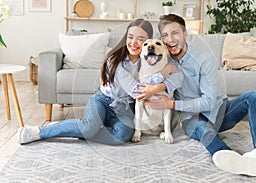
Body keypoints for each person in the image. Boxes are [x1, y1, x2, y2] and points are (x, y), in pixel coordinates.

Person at [139, 14, 256, 176]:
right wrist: (153, 89)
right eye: (165, 35)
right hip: (191, 118)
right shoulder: (162, 59)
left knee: (255, 95)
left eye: (175, 33)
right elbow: (142, 68)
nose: (170, 39)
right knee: (203, 129)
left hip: (220, 111)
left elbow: (209, 102)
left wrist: (172, 105)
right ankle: (231, 157)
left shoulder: (203, 58)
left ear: (185, 34)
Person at [18, 19, 181, 145]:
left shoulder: (146, 61)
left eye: (141, 39)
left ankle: (84, 132)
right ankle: (41, 131)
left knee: (123, 136)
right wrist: (162, 74)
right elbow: (136, 90)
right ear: (126, 37)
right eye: (131, 37)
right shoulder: (114, 60)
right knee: (89, 127)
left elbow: (177, 75)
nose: (134, 43)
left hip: (124, 107)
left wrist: (162, 83)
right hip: (103, 101)